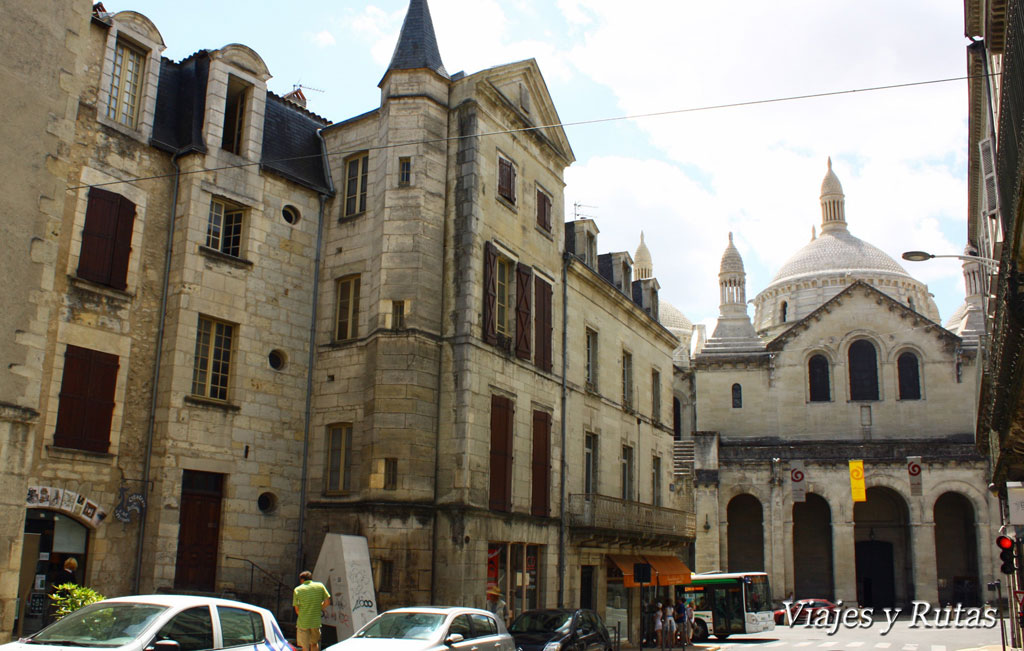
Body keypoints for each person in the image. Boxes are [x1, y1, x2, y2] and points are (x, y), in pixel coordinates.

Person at [293, 571, 330, 651]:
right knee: (314, 644)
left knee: (305, 647)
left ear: (302, 580)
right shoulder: (320, 586)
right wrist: (319, 608)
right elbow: (327, 602)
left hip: (303, 622)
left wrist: (304, 614)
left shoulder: (298, 590)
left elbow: (297, 610)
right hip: (315, 622)